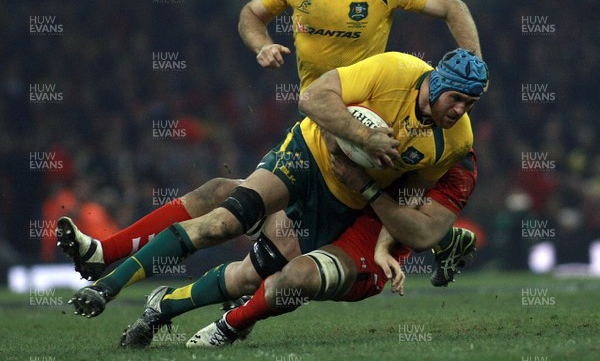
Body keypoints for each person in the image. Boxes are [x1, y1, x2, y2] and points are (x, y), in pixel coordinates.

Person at [56, 0, 482, 285]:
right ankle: (106, 253)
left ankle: (112, 259)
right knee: (226, 194)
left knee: (244, 211)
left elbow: (453, 6)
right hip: (323, 120)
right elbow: (250, 14)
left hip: (370, 129)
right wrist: (261, 44)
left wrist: (471, 73)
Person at [65, 48, 488, 320]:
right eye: (457, 98)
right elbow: (308, 95)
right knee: (223, 213)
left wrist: (383, 243)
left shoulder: (454, 139)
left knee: (258, 273)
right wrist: (260, 43)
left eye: (470, 104)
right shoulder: (392, 65)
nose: (461, 109)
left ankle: (163, 304)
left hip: (347, 199)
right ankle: (108, 276)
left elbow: (406, 194)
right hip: (312, 149)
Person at [119, 149, 477, 349]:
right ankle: (158, 303)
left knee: (273, 279)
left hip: (358, 235)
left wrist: (391, 244)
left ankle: (201, 317)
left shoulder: (455, 162)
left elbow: (410, 215)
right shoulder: (394, 113)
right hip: (324, 205)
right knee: (248, 271)